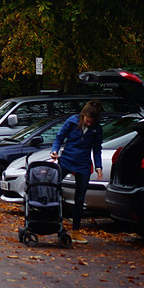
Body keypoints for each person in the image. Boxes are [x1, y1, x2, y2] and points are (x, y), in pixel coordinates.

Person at [51, 100, 104, 244]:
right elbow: (59, 137)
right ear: (83, 115)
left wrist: (99, 167)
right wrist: (54, 150)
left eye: (91, 122)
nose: (88, 124)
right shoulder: (72, 121)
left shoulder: (97, 129)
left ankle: (76, 231)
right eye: (87, 120)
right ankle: (52, 221)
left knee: (80, 198)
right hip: (67, 160)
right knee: (52, 187)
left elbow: (97, 149)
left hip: (83, 164)